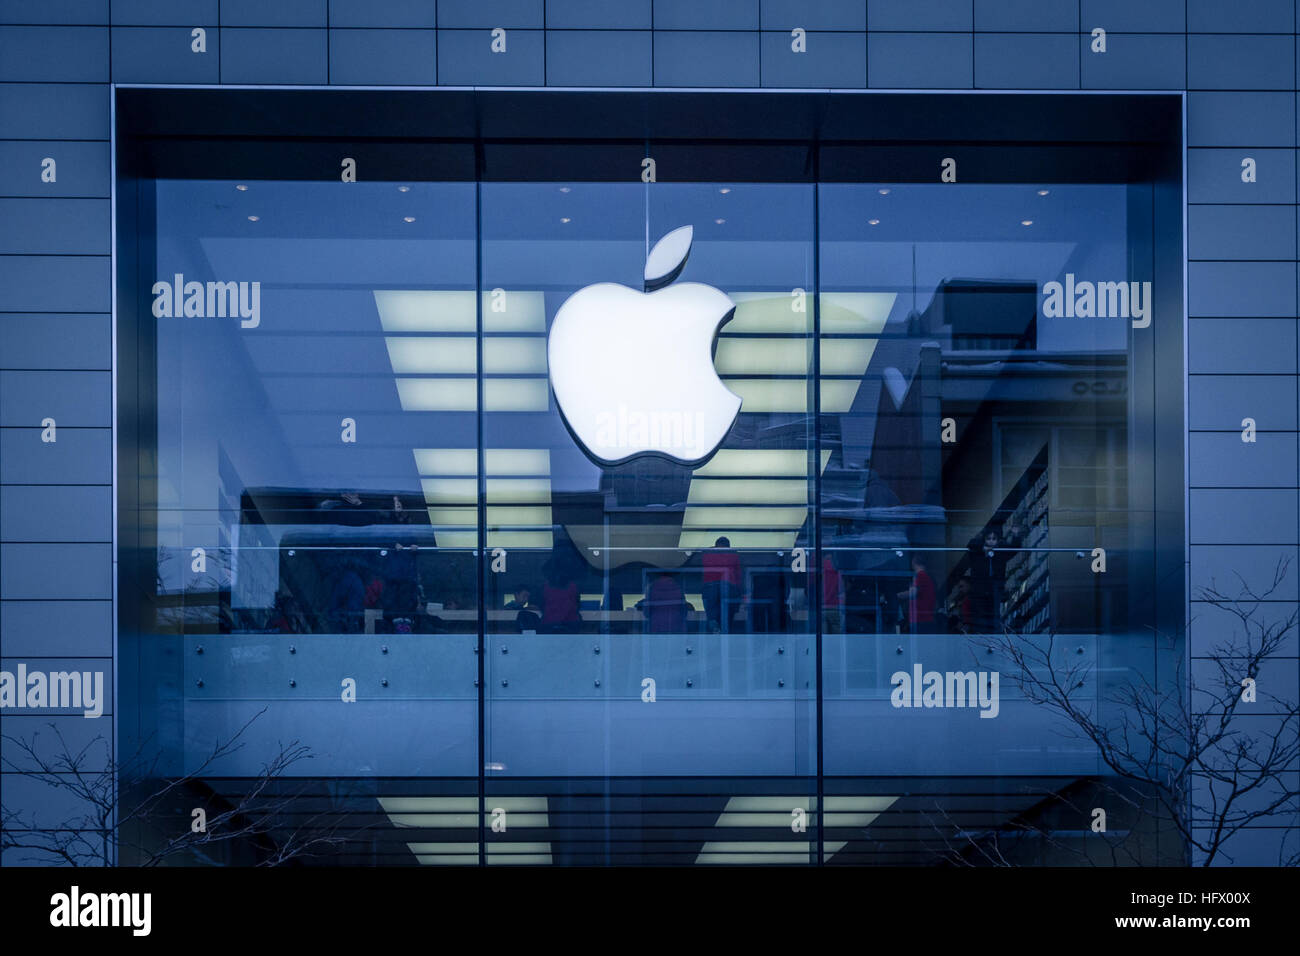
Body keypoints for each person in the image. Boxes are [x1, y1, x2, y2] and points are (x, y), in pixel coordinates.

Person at [701, 536, 742, 633]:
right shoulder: (733, 555)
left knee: (712, 616)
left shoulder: (707, 555)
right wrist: (739, 594)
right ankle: (725, 633)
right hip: (728, 586)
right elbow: (738, 575)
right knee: (727, 618)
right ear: (728, 546)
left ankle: (714, 630)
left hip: (709, 587)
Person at [897, 554, 937, 634]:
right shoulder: (926, 577)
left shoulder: (921, 576)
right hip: (924, 618)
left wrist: (896, 596)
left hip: (921, 619)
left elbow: (912, 593)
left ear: (914, 562)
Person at [540, 560, 581, 633]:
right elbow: (577, 604)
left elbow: (541, 604)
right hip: (570, 624)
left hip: (549, 623)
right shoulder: (573, 586)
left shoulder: (545, 586)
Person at [822, 552, 844, 634]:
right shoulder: (838, 572)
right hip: (835, 608)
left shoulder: (818, 572)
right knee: (836, 637)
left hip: (822, 608)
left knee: (822, 637)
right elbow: (842, 591)